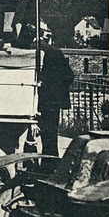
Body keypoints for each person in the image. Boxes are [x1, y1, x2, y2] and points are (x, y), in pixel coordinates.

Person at [38, 27, 74, 162]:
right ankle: (50, 166)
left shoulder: (26, 50)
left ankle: (31, 164)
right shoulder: (54, 52)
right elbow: (69, 75)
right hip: (51, 100)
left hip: (32, 98)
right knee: (50, 137)